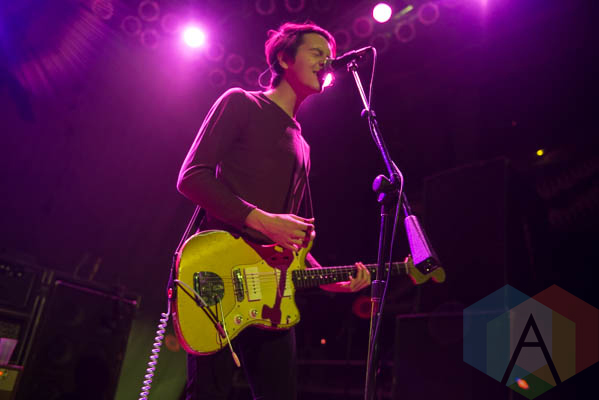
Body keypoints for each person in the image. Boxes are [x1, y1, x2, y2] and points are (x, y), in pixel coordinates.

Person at [177, 21, 371, 400]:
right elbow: (192, 177)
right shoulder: (242, 103)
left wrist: (328, 279)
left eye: (330, 56)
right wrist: (262, 220)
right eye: (317, 53)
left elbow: (291, 237)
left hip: (271, 294)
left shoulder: (303, 145)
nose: (326, 61)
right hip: (218, 274)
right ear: (284, 59)